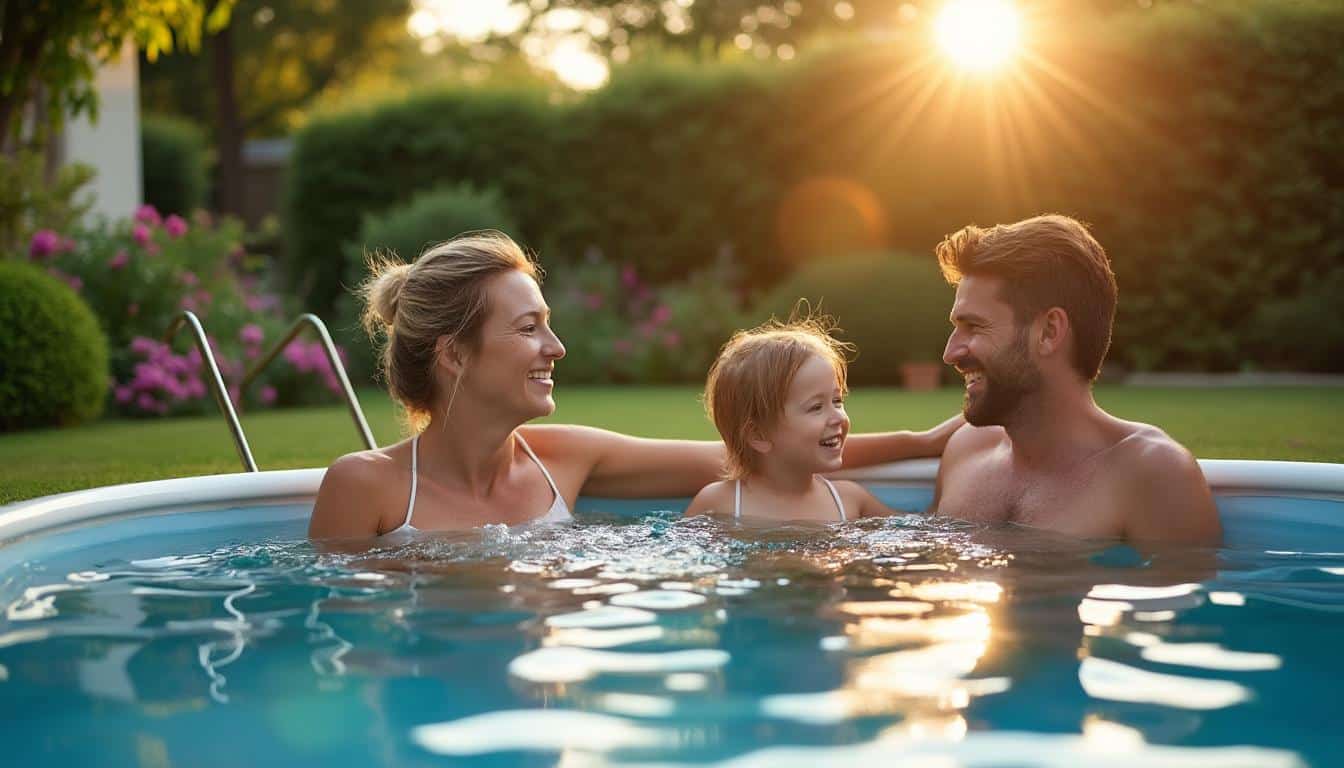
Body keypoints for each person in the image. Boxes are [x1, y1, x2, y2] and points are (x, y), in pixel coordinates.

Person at [309, 231, 959, 540]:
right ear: (454, 354)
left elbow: (747, 458)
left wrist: (923, 441)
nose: (556, 348)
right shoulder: (367, 488)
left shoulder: (565, 457)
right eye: (529, 328)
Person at [931, 214, 1221, 544]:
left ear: (1049, 332)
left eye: (975, 326)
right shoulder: (966, 450)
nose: (950, 353)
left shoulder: (1152, 475)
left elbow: (1190, 593)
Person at [684, 318, 961, 523]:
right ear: (758, 435)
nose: (838, 417)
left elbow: (924, 535)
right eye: (816, 407)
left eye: (837, 401)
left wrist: (957, 462)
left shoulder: (849, 501)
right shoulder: (719, 503)